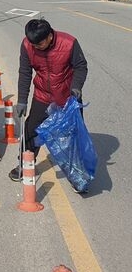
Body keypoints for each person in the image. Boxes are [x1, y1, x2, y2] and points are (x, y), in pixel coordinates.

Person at [9, 19, 88, 186]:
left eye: (40, 44)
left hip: (68, 97)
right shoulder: (27, 45)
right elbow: (25, 72)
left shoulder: (68, 43)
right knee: (30, 130)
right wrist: (22, 100)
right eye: (33, 44)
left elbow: (81, 66)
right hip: (43, 96)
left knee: (72, 136)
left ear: (50, 36)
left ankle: (78, 175)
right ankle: (25, 164)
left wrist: (76, 88)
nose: (36, 47)